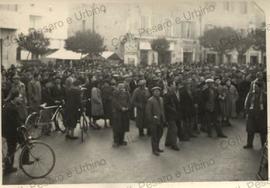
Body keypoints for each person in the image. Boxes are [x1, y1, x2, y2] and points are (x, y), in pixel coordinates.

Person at [2, 91, 33, 175]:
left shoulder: (9, 105)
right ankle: (24, 161)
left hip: (8, 131)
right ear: (15, 98)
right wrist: (24, 127)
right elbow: (16, 122)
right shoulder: (12, 108)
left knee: (11, 149)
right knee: (25, 143)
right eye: (19, 97)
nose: (21, 98)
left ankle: (8, 167)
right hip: (12, 132)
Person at [243, 79, 267, 149]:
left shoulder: (265, 95)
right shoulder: (250, 94)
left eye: (256, 87)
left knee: (263, 132)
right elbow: (247, 104)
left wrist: (264, 115)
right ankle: (249, 144)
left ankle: (264, 145)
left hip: (261, 116)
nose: (254, 89)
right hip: (251, 116)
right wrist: (247, 113)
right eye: (253, 87)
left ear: (260, 87)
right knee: (250, 130)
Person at [146, 86, 165, 156]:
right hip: (154, 121)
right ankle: (154, 150)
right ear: (153, 92)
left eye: (158, 91)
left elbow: (163, 110)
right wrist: (151, 120)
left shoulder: (161, 99)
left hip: (161, 120)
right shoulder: (150, 100)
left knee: (160, 134)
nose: (157, 92)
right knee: (154, 135)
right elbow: (148, 112)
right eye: (156, 91)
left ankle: (157, 147)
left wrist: (164, 118)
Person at [111, 83, 130, 147]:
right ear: (118, 87)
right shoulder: (115, 93)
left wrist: (127, 107)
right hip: (117, 113)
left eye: (122, 87)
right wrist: (121, 108)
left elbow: (128, 101)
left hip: (125, 112)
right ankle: (116, 141)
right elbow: (114, 101)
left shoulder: (126, 93)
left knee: (123, 126)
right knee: (117, 127)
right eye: (120, 87)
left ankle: (121, 140)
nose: (121, 88)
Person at [164, 82, 180, 151]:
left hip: (174, 114)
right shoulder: (167, 95)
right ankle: (174, 144)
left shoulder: (173, 94)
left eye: (174, 86)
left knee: (171, 128)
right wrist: (173, 109)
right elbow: (166, 105)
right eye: (172, 86)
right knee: (174, 129)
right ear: (169, 87)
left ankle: (167, 142)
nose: (174, 87)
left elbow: (177, 103)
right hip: (169, 115)